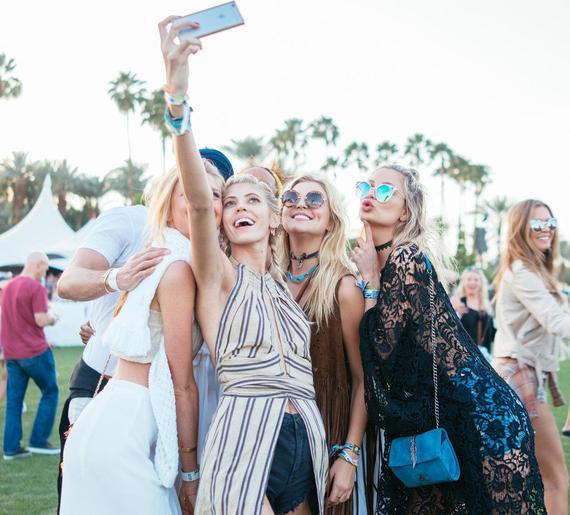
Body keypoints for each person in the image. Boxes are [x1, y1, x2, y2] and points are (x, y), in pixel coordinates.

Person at [160, 16, 327, 514]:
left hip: (306, 436)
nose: (238, 209)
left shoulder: (285, 288)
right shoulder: (218, 275)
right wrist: (177, 98)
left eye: (252, 200)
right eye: (230, 203)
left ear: (275, 219)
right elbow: (197, 200)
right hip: (246, 435)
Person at [351, 165, 545, 514]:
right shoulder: (387, 261)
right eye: (366, 186)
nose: (371, 194)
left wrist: (370, 282)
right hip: (450, 416)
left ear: (405, 211)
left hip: (479, 418)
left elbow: (380, 349)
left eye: (385, 190)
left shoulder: (405, 257)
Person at [61, 166, 209, 514]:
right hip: (121, 432)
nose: (203, 200)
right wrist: (190, 475)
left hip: (112, 423)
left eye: (213, 194)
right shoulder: (174, 266)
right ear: (166, 204)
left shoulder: (173, 255)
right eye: (189, 192)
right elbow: (182, 385)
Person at [278, 174, 371, 514]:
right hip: (269, 433)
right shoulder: (267, 279)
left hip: (323, 436)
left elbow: (363, 380)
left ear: (331, 219)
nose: (300, 203)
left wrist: (349, 455)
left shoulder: (343, 287)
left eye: (315, 199)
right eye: (290, 198)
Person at [493, 199, 570, 514]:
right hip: (519, 377)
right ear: (519, 229)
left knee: (521, 482)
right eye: (537, 223)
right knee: (555, 480)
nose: (546, 229)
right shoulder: (522, 271)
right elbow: (557, 322)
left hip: (519, 375)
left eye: (550, 222)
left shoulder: (535, 271)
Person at [1, 252, 60, 460]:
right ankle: (38, 441)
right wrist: (54, 317)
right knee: (50, 391)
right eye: (45, 268)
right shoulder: (36, 287)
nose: (45, 273)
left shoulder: (7, 287)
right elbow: (41, 319)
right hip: (34, 351)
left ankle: (11, 448)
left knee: (14, 401)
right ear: (38, 264)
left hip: (12, 353)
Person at [451, 267, 495, 360]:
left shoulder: (487, 305)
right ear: (463, 282)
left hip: (485, 357)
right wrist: (456, 313)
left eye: (476, 280)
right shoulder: (457, 302)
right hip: (463, 357)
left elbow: (492, 335)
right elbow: (450, 329)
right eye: (469, 279)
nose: (472, 282)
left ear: (481, 283)